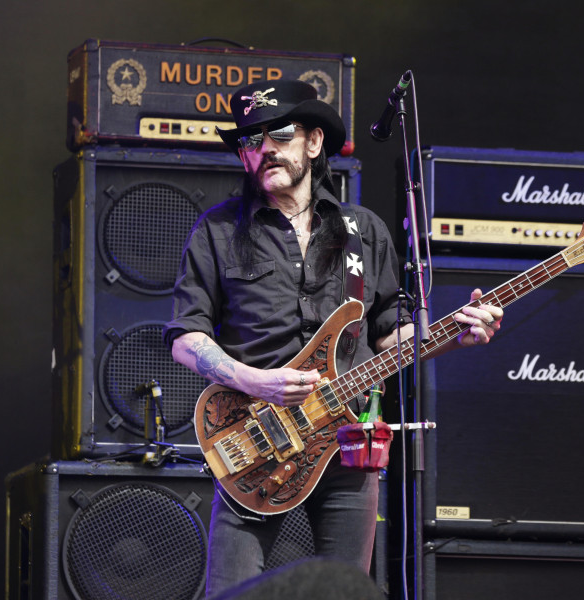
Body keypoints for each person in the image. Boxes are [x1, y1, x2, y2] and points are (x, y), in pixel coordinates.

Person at [164, 79, 503, 596]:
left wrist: (456, 335)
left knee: (346, 590)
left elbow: (390, 334)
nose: (265, 149)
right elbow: (185, 337)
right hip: (256, 439)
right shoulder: (216, 232)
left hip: (349, 442)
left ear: (314, 142)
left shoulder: (361, 231)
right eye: (250, 141)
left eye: (278, 134)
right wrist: (255, 381)